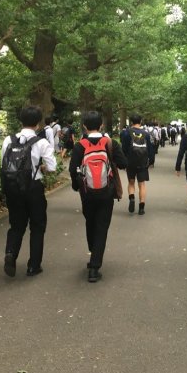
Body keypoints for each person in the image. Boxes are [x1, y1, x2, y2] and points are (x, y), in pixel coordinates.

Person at [69, 111, 127, 282]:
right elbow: (124, 163)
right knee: (102, 226)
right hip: (106, 191)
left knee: (90, 222)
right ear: (101, 125)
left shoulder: (80, 145)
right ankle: (95, 266)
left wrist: (76, 185)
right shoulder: (109, 143)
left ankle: (93, 253)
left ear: (85, 126)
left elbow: (73, 169)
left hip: (87, 193)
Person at [1, 106, 57, 277]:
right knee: (37, 226)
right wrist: (40, 167)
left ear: (21, 121)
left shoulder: (8, 140)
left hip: (13, 187)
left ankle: (11, 253)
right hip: (33, 187)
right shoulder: (41, 142)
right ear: (38, 123)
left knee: (16, 225)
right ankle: (33, 265)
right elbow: (52, 167)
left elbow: (5, 164)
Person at [120, 114, 154, 215]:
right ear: (141, 121)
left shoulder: (126, 133)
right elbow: (150, 149)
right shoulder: (146, 134)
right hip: (142, 162)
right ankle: (141, 207)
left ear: (131, 122)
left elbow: (124, 148)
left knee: (131, 182)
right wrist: (151, 161)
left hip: (130, 161)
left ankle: (131, 198)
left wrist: (124, 161)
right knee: (142, 184)